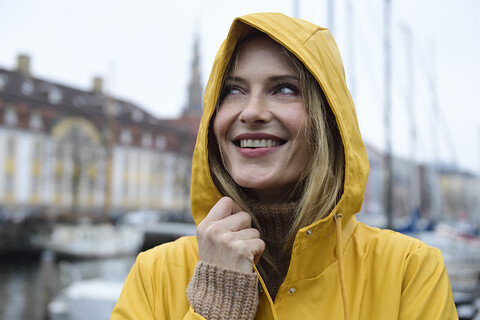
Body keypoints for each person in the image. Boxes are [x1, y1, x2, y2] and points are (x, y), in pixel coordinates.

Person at [111, 12, 457, 320]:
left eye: (284, 89)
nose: (251, 111)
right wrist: (216, 305)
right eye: (233, 90)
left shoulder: (408, 271)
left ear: (329, 119)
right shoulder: (155, 274)